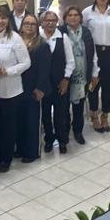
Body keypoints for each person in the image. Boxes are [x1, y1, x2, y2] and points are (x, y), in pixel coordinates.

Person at [0, 5, 29, 172]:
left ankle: (6, 158)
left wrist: (9, 71)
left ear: (8, 20)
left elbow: (26, 63)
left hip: (10, 90)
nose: (0, 21)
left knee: (8, 127)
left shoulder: (15, 38)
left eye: (3, 18)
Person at [83, 0, 110, 132]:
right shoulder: (87, 12)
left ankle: (105, 115)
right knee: (93, 85)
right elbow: (83, 32)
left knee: (107, 85)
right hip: (93, 52)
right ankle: (94, 115)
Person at [60, 6, 98, 145]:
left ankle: (78, 131)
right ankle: (64, 131)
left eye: (76, 15)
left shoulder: (86, 32)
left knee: (79, 106)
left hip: (82, 75)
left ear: (80, 18)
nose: (73, 17)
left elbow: (93, 53)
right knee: (64, 106)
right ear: (65, 18)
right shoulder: (60, 32)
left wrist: (95, 72)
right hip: (65, 75)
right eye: (70, 15)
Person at [37, 10, 74, 154]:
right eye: (47, 20)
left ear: (57, 22)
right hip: (43, 84)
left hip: (60, 83)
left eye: (53, 20)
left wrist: (66, 79)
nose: (50, 23)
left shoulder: (63, 37)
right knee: (45, 113)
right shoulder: (38, 37)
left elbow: (70, 61)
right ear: (42, 22)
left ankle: (62, 140)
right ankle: (49, 139)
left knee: (61, 113)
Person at [18, 14, 47, 162]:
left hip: (34, 88)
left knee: (32, 121)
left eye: (32, 24)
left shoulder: (42, 44)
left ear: (37, 27)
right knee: (20, 120)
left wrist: (40, 88)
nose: (29, 26)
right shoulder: (16, 41)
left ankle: (32, 152)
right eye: (26, 23)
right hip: (17, 88)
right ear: (22, 26)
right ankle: (20, 149)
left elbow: (45, 69)